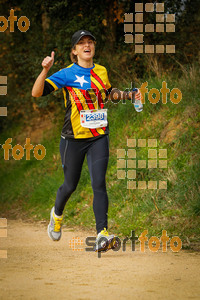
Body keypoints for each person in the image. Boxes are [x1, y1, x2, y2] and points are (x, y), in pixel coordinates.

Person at [32, 29, 142, 252]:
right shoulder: (66, 73)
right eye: (81, 43)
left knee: (98, 183)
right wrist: (45, 70)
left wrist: (129, 95)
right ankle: (57, 214)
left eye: (90, 41)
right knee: (70, 185)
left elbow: (108, 93)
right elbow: (36, 93)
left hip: (98, 136)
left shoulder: (101, 70)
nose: (87, 45)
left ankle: (102, 234)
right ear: (74, 51)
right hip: (73, 139)